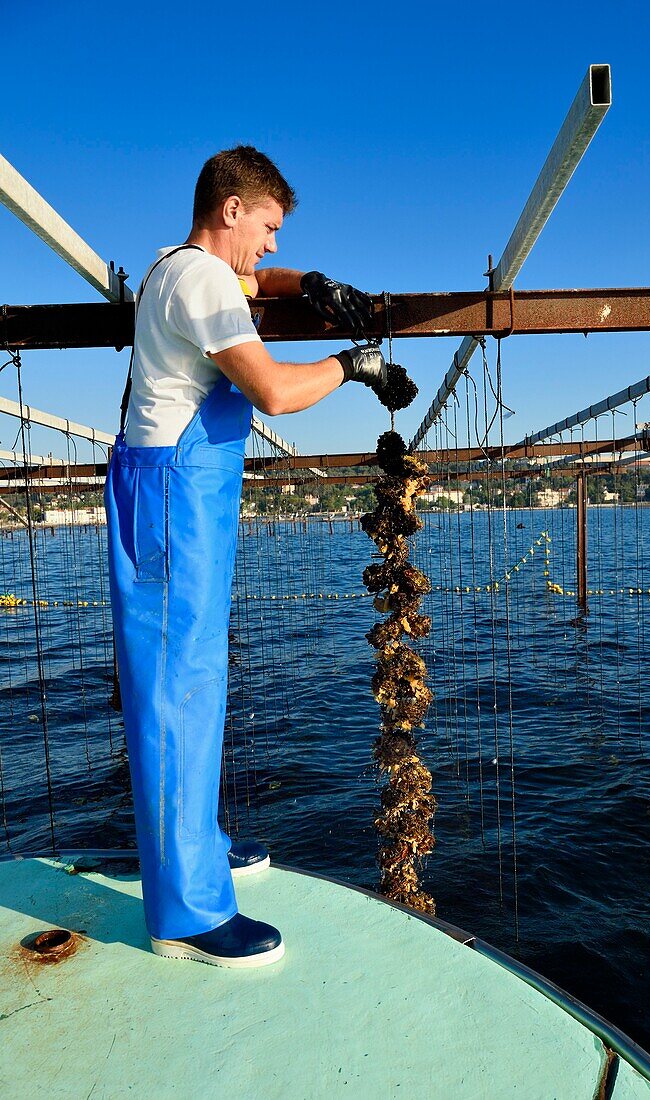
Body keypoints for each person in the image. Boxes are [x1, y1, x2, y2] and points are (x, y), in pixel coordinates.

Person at [104, 145, 386, 970]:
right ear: (230, 209)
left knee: (195, 678)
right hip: (169, 505)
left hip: (183, 499)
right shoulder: (198, 280)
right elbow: (271, 391)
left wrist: (316, 285)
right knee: (173, 689)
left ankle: (197, 845)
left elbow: (263, 282)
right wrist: (352, 365)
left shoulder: (185, 266)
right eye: (266, 226)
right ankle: (185, 916)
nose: (268, 246)